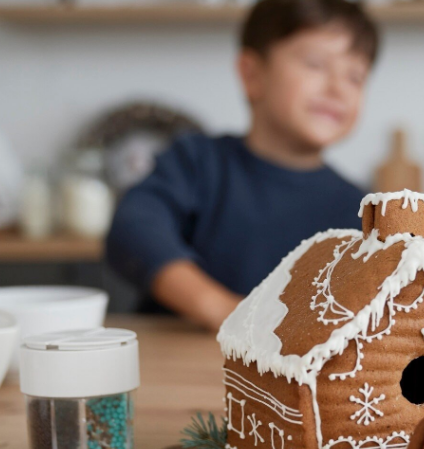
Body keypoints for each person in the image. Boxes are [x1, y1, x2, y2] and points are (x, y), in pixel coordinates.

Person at [106, 0, 379, 331]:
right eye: (316, 64)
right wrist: (217, 307)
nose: (337, 88)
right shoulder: (196, 162)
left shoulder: (361, 210)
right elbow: (133, 228)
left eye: (355, 76)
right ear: (252, 75)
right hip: (175, 367)